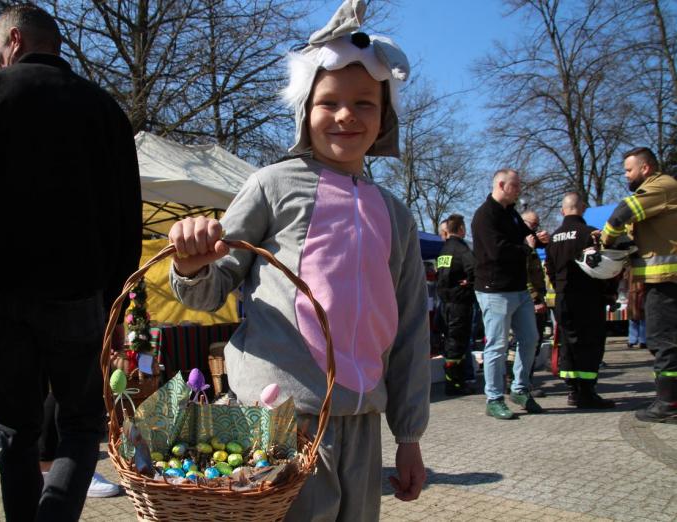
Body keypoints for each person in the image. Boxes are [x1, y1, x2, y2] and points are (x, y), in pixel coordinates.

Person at [168, 4, 429, 520]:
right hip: (280, 416)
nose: (346, 115)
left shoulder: (396, 215)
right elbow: (212, 286)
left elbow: (411, 327)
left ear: (385, 117)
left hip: (362, 421)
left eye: (364, 104)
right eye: (328, 102)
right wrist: (192, 264)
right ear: (304, 110)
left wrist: (409, 435)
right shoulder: (272, 184)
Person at [0, 4, 142, 520]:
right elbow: (128, 223)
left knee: (16, 428)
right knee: (81, 425)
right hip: (79, 300)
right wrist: (122, 307)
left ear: (14, 40)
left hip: (0, 297)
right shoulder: (105, 111)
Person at [600, 147, 677, 423]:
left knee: (663, 342)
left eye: (628, 170)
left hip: (666, 282)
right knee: (664, 341)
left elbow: (623, 212)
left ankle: (669, 403)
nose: (626, 176)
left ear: (645, 168)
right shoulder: (660, 196)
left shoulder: (661, 186)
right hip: (661, 282)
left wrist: (606, 241)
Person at [471, 169, 549, 420]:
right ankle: (493, 398)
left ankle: (519, 388)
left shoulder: (511, 214)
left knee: (530, 339)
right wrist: (526, 247)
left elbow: (523, 239)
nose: (519, 190)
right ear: (502, 185)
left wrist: (539, 239)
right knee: (497, 345)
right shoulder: (485, 216)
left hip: (519, 288)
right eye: (515, 186)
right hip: (494, 290)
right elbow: (496, 251)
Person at [545, 193, 615, 409]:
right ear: (583, 208)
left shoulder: (554, 237)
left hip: (563, 298)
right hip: (588, 297)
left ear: (562, 211)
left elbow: (549, 270)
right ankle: (586, 391)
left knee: (568, 342)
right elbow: (606, 267)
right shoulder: (591, 234)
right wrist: (608, 294)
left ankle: (573, 390)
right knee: (590, 343)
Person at [435, 214, 475, 395]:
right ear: (461, 229)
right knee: (458, 344)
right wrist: (470, 282)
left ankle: (453, 382)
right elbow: (475, 269)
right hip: (460, 303)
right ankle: (456, 384)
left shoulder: (444, 250)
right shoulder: (461, 248)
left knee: (450, 342)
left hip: (445, 304)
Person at [521, 210, 548, 397]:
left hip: (531, 299)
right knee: (528, 343)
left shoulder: (530, 244)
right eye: (533, 225)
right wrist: (535, 299)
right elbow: (524, 275)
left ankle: (523, 380)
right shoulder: (523, 247)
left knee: (532, 343)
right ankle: (523, 382)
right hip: (528, 301)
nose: (535, 229)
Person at [624, 267, 647, 351]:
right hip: (638, 294)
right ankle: (641, 340)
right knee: (640, 318)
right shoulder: (638, 267)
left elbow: (625, 278)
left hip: (636, 294)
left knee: (636, 318)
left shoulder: (630, 268)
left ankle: (634, 340)